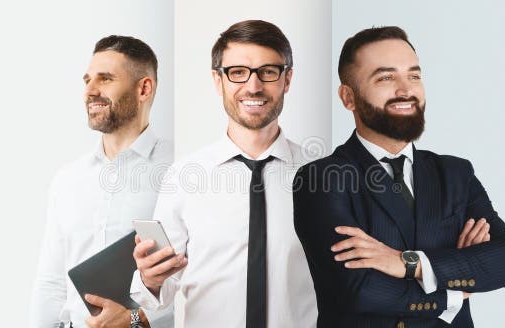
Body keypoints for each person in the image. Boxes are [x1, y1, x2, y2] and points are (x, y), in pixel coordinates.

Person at [293, 26, 505, 327]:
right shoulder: (321, 178)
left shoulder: (456, 173)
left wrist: (407, 263)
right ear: (348, 98)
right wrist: (453, 292)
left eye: (414, 76)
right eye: (386, 78)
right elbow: (360, 291)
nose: (405, 90)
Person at [129, 20, 318, 327]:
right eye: (237, 72)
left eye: (268, 72)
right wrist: (150, 279)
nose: (253, 86)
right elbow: (156, 295)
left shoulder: (324, 177)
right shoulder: (183, 178)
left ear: (287, 79)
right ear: (218, 81)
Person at [30, 35, 173, 328]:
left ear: (144, 88)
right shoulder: (68, 179)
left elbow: (195, 280)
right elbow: (52, 283)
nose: (90, 92)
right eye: (87, 80)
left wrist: (134, 320)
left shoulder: (180, 170)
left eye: (105, 79)